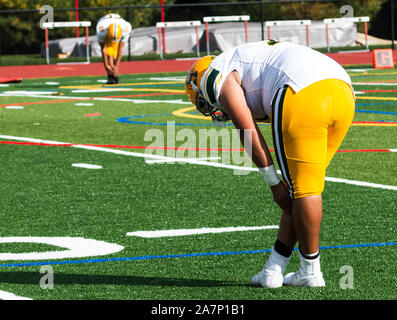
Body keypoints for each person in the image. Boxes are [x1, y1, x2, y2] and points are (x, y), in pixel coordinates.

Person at [185, 40, 355, 288]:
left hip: (301, 89)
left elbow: (247, 129)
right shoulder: (242, 59)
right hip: (343, 90)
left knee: (299, 189)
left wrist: (273, 183)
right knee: (300, 187)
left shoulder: (210, 76)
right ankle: (274, 270)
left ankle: (310, 270)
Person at [96, 13, 132, 84]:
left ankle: (115, 75)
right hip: (105, 24)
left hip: (117, 26)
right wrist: (107, 66)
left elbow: (120, 49)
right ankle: (110, 75)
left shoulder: (126, 28)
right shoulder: (101, 29)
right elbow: (103, 49)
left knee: (115, 53)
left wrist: (116, 68)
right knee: (109, 54)